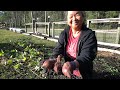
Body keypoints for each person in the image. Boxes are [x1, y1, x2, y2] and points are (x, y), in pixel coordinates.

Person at [42, 11, 97, 79]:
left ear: (83, 17)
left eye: (77, 15)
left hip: (83, 73)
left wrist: (72, 64)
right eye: (71, 16)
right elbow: (58, 49)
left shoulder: (89, 35)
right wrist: (54, 59)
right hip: (67, 71)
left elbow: (86, 56)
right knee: (47, 64)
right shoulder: (64, 33)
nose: (74, 19)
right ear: (67, 19)